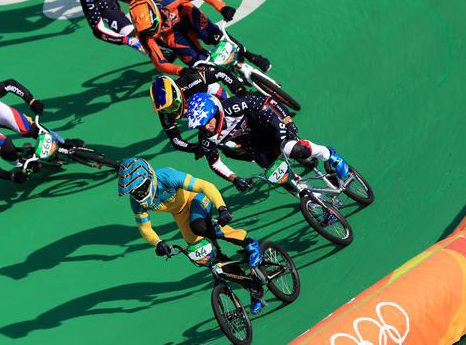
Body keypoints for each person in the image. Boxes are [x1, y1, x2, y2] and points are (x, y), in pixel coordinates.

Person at [117, 157, 266, 314]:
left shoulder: (166, 176)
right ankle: (253, 288)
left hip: (195, 198)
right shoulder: (137, 202)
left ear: (150, 176)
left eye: (141, 188)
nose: (139, 194)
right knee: (207, 257)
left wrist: (222, 207)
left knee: (199, 226)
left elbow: (204, 186)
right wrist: (158, 242)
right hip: (179, 215)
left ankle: (248, 242)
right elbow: (145, 228)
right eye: (134, 191)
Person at [186, 92, 349, 192]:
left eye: (208, 121)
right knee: (281, 177)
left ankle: (330, 155)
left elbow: (267, 101)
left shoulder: (232, 106)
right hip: (254, 142)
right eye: (201, 125)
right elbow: (215, 163)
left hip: (266, 123)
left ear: (216, 111)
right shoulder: (206, 139)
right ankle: (318, 203)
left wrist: (288, 121)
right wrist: (234, 178)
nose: (206, 127)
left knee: (295, 150)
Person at [0, 79, 84, 184]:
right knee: (7, 150)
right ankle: (22, 164)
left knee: (32, 129)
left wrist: (32, 101)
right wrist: (11, 176)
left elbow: (9, 84)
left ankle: (64, 142)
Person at [129, 0, 271, 75]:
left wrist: (221, 7)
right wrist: (180, 71)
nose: (152, 34)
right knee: (202, 66)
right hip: (173, 35)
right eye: (148, 32)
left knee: (215, 36)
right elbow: (160, 63)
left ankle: (251, 56)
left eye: (153, 29)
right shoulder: (143, 34)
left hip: (187, 15)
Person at [149, 69, 247, 158]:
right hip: (197, 110)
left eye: (172, 105)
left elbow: (222, 73)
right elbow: (176, 141)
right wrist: (194, 148)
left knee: (235, 111)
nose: (172, 111)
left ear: (177, 94)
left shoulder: (190, 81)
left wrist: (241, 92)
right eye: (167, 109)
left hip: (210, 93)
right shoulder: (164, 110)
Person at [75, 0, 167, 54]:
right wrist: (126, 40)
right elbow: (98, 29)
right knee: (129, 32)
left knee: (153, 0)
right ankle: (157, 53)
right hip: (102, 0)